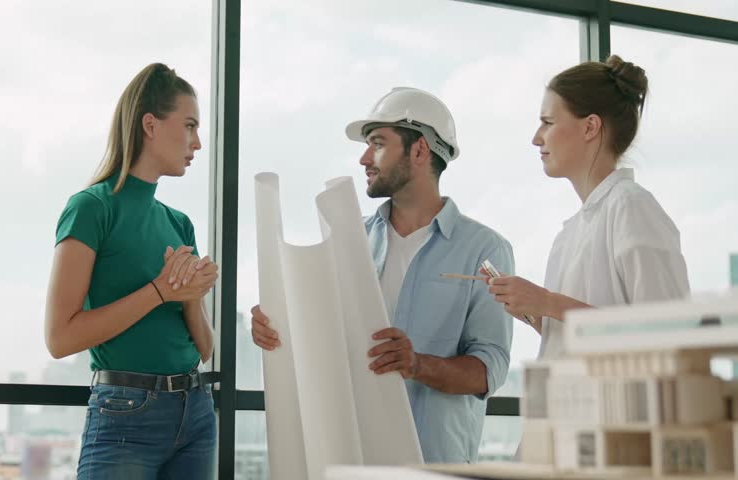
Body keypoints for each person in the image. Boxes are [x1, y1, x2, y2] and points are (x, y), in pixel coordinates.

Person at [251, 87, 513, 463]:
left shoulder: (485, 249)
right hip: (353, 456)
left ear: (420, 150)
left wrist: (416, 364)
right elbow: (324, 334)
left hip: (434, 462)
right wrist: (279, 322)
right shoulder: (346, 239)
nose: (363, 158)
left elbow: (489, 369)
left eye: (376, 144)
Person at [44, 63, 220, 479]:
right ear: (150, 124)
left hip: (196, 413)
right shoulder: (91, 208)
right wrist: (160, 291)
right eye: (190, 125)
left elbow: (205, 348)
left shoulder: (179, 224)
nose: (197, 141)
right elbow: (60, 338)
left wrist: (191, 294)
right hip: (125, 415)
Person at [484, 55, 690, 359]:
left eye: (547, 122)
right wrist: (532, 311)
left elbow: (668, 329)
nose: (536, 138)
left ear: (590, 127)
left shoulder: (631, 207)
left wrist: (547, 302)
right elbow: (581, 338)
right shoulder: (571, 233)